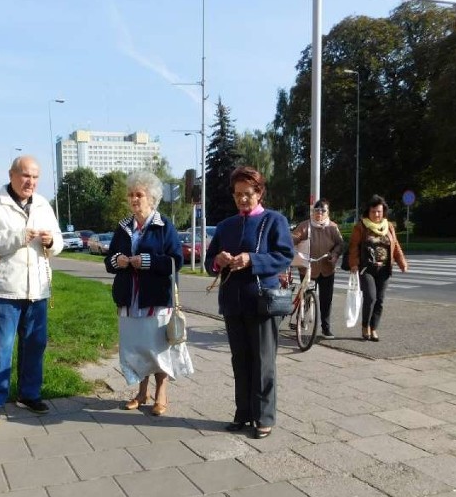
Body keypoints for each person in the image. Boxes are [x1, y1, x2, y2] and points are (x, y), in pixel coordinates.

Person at [205, 166, 294, 438]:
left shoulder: (274, 221)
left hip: (262, 303)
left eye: (248, 194)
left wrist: (252, 260)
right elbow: (209, 264)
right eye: (237, 195)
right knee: (240, 361)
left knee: (263, 362)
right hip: (233, 303)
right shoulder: (225, 226)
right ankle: (243, 414)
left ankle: (264, 416)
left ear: (259, 193)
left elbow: (284, 256)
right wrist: (218, 262)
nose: (242, 199)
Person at [0, 156, 63, 424]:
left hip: (38, 289)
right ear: (12, 174)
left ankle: (29, 394)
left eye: (35, 177)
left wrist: (50, 242)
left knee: (35, 345)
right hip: (5, 289)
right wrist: (18, 235)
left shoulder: (43, 205)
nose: (31, 182)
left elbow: (58, 241)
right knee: (2, 347)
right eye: (26, 176)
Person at [105, 171, 194, 416]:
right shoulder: (123, 227)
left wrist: (147, 261)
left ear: (152, 199)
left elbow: (176, 261)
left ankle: (161, 393)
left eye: (139, 195)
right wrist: (118, 261)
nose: (134, 199)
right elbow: (108, 261)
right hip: (128, 300)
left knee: (157, 348)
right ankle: (141, 393)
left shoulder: (165, 226)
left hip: (156, 299)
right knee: (136, 348)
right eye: (131, 194)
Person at [347, 194, 408, 341]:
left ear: (383, 212)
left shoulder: (389, 226)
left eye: (379, 211)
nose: (376, 214)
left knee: (380, 300)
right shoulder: (361, 226)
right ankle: (365, 326)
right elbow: (354, 246)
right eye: (373, 211)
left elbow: (395, 246)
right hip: (366, 269)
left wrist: (402, 262)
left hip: (384, 269)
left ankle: (374, 328)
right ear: (368, 211)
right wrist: (354, 263)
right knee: (371, 297)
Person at [291, 199, 344, 339]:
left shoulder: (332, 227)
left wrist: (334, 254)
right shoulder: (305, 226)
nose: (319, 213)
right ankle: (301, 317)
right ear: (312, 212)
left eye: (323, 210)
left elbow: (340, 244)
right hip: (307, 268)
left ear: (328, 213)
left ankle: (326, 328)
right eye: (316, 210)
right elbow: (294, 238)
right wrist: (288, 242)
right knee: (306, 296)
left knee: (326, 300)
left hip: (327, 268)